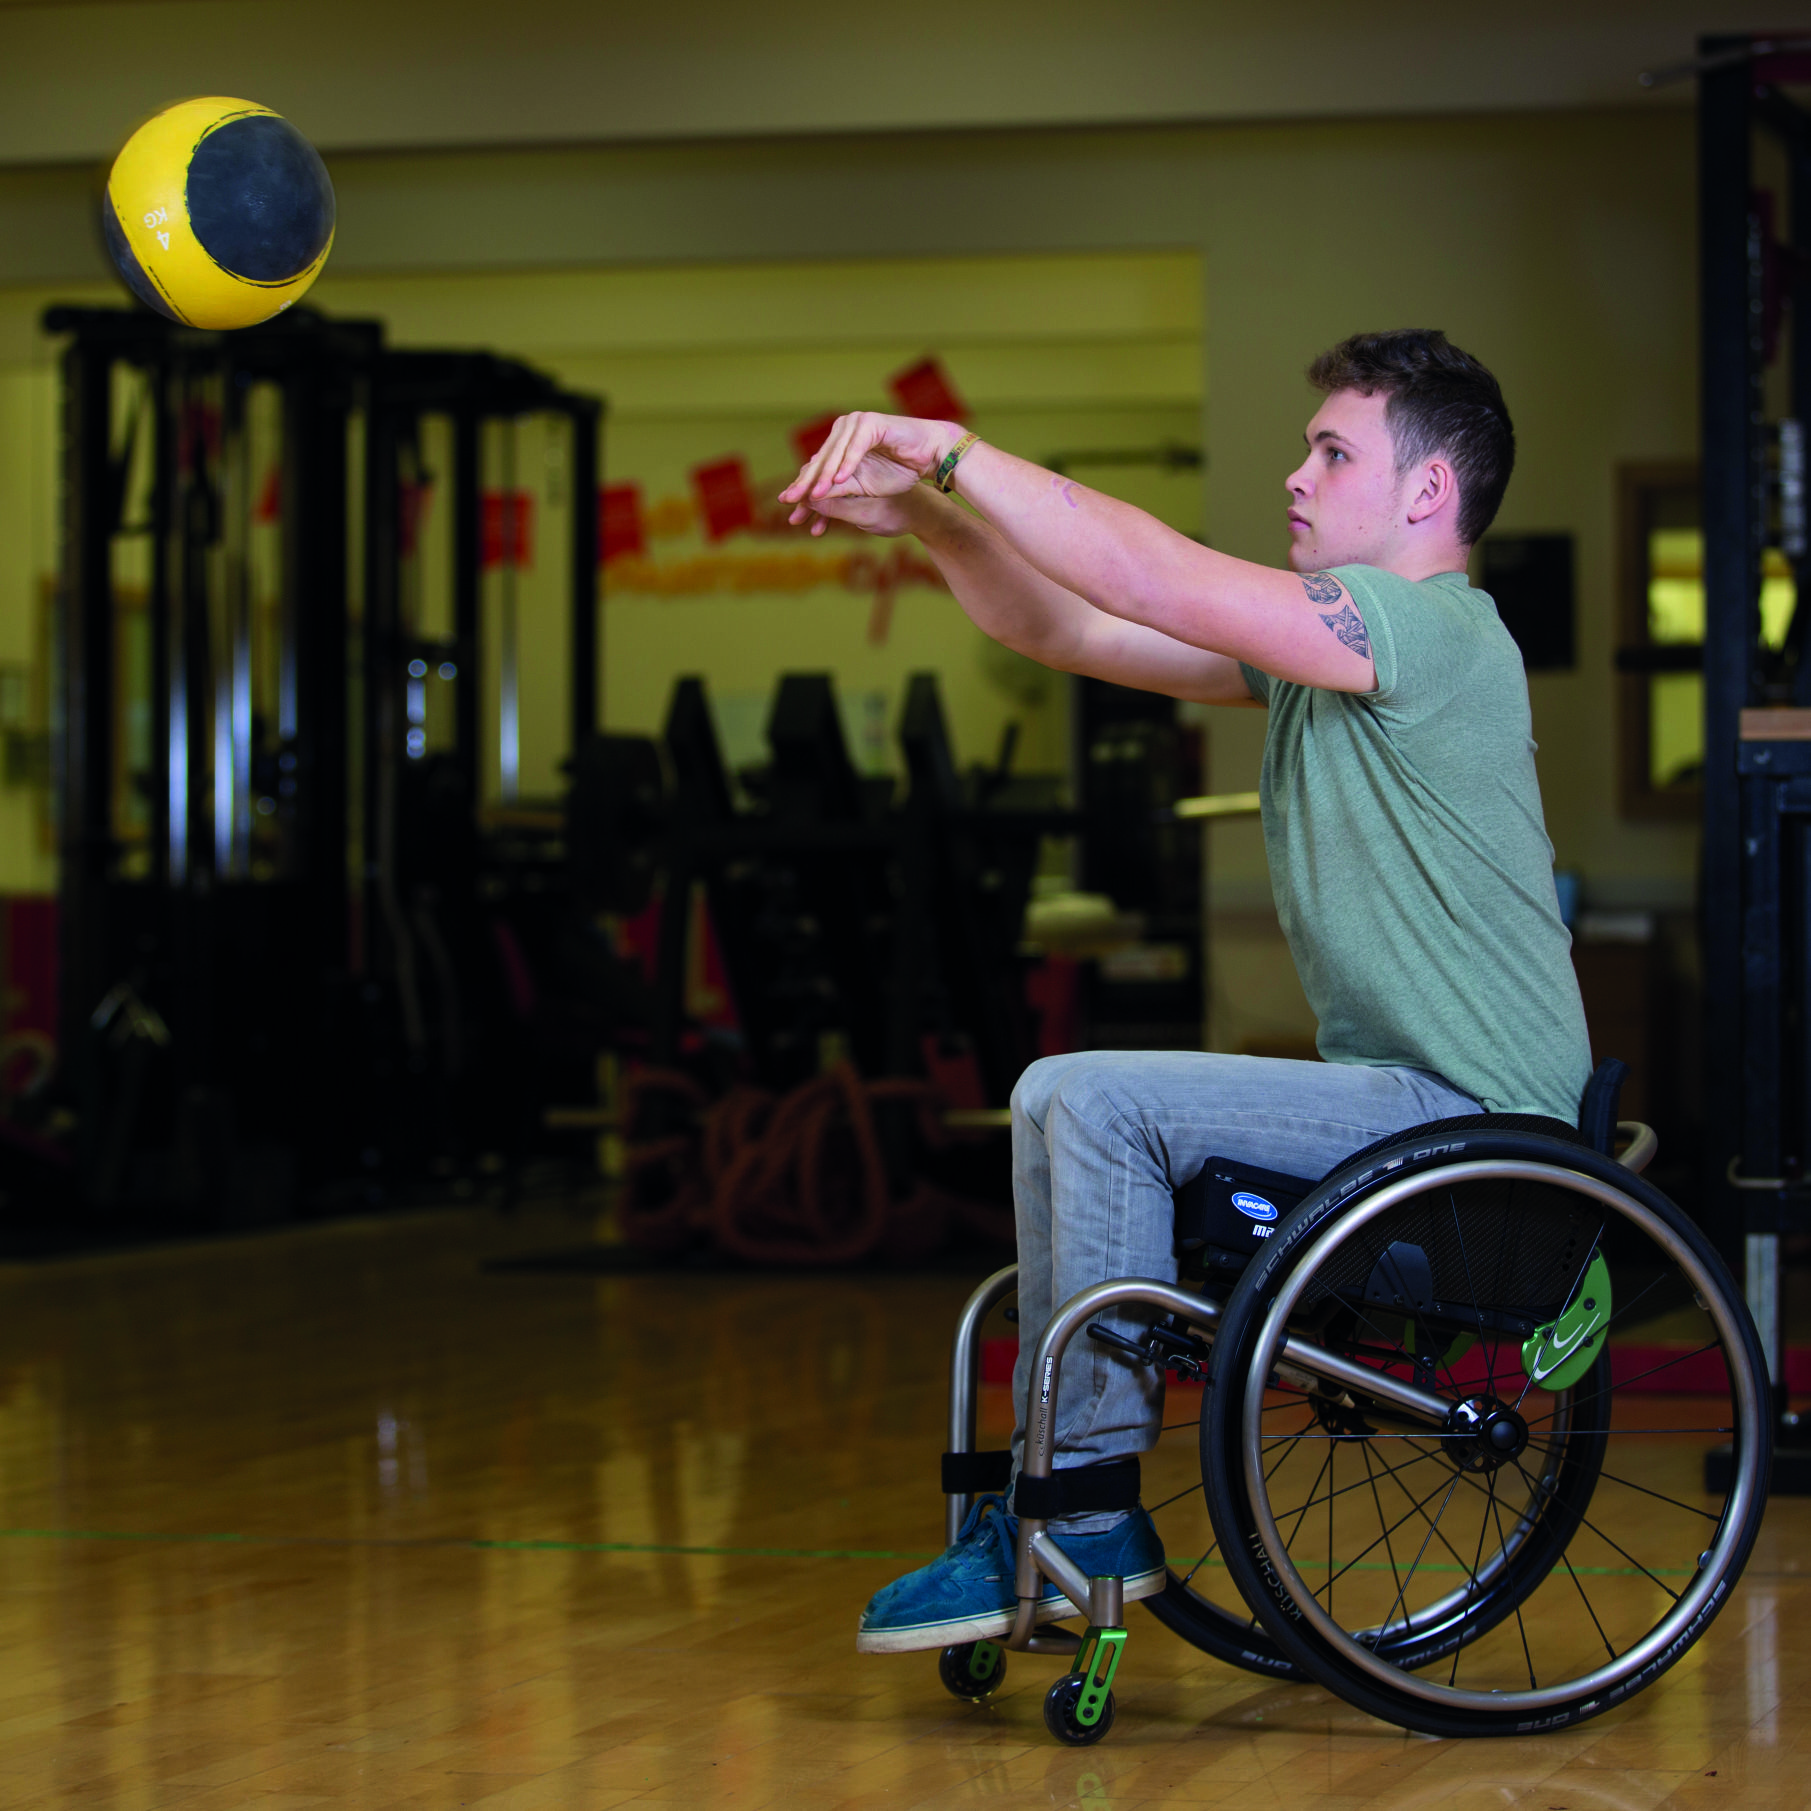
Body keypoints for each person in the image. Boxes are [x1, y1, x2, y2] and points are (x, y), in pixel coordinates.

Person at [779, 328, 1592, 1656]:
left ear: (1427, 494)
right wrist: (931, 520)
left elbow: (1149, 573)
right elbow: (1065, 623)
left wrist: (952, 452)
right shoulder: (1325, 654)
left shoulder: (1429, 627)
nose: (1295, 475)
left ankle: (1088, 1502)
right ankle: (1063, 1502)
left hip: (1470, 1134)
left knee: (1078, 1094)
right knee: (1065, 1100)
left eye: (1332, 452)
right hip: (1402, 1114)